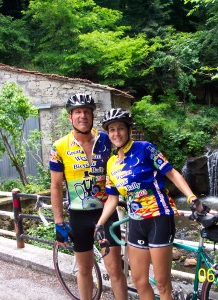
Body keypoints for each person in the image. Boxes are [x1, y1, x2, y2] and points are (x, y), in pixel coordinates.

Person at [94, 108, 204, 300]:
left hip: (158, 217)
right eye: (111, 129)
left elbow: (172, 173)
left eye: (120, 128)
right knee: (139, 280)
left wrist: (191, 198)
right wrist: (100, 223)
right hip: (136, 222)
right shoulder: (111, 163)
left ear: (128, 130)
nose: (116, 133)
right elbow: (112, 198)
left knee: (162, 284)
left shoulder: (145, 148)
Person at [49, 94, 128, 300]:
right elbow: (56, 186)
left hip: (107, 212)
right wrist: (58, 222)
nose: (82, 115)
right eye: (78, 112)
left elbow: (124, 162)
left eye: (86, 111)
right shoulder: (59, 147)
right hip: (78, 215)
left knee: (115, 270)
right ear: (70, 117)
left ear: (92, 115)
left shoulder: (106, 140)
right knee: (84, 270)